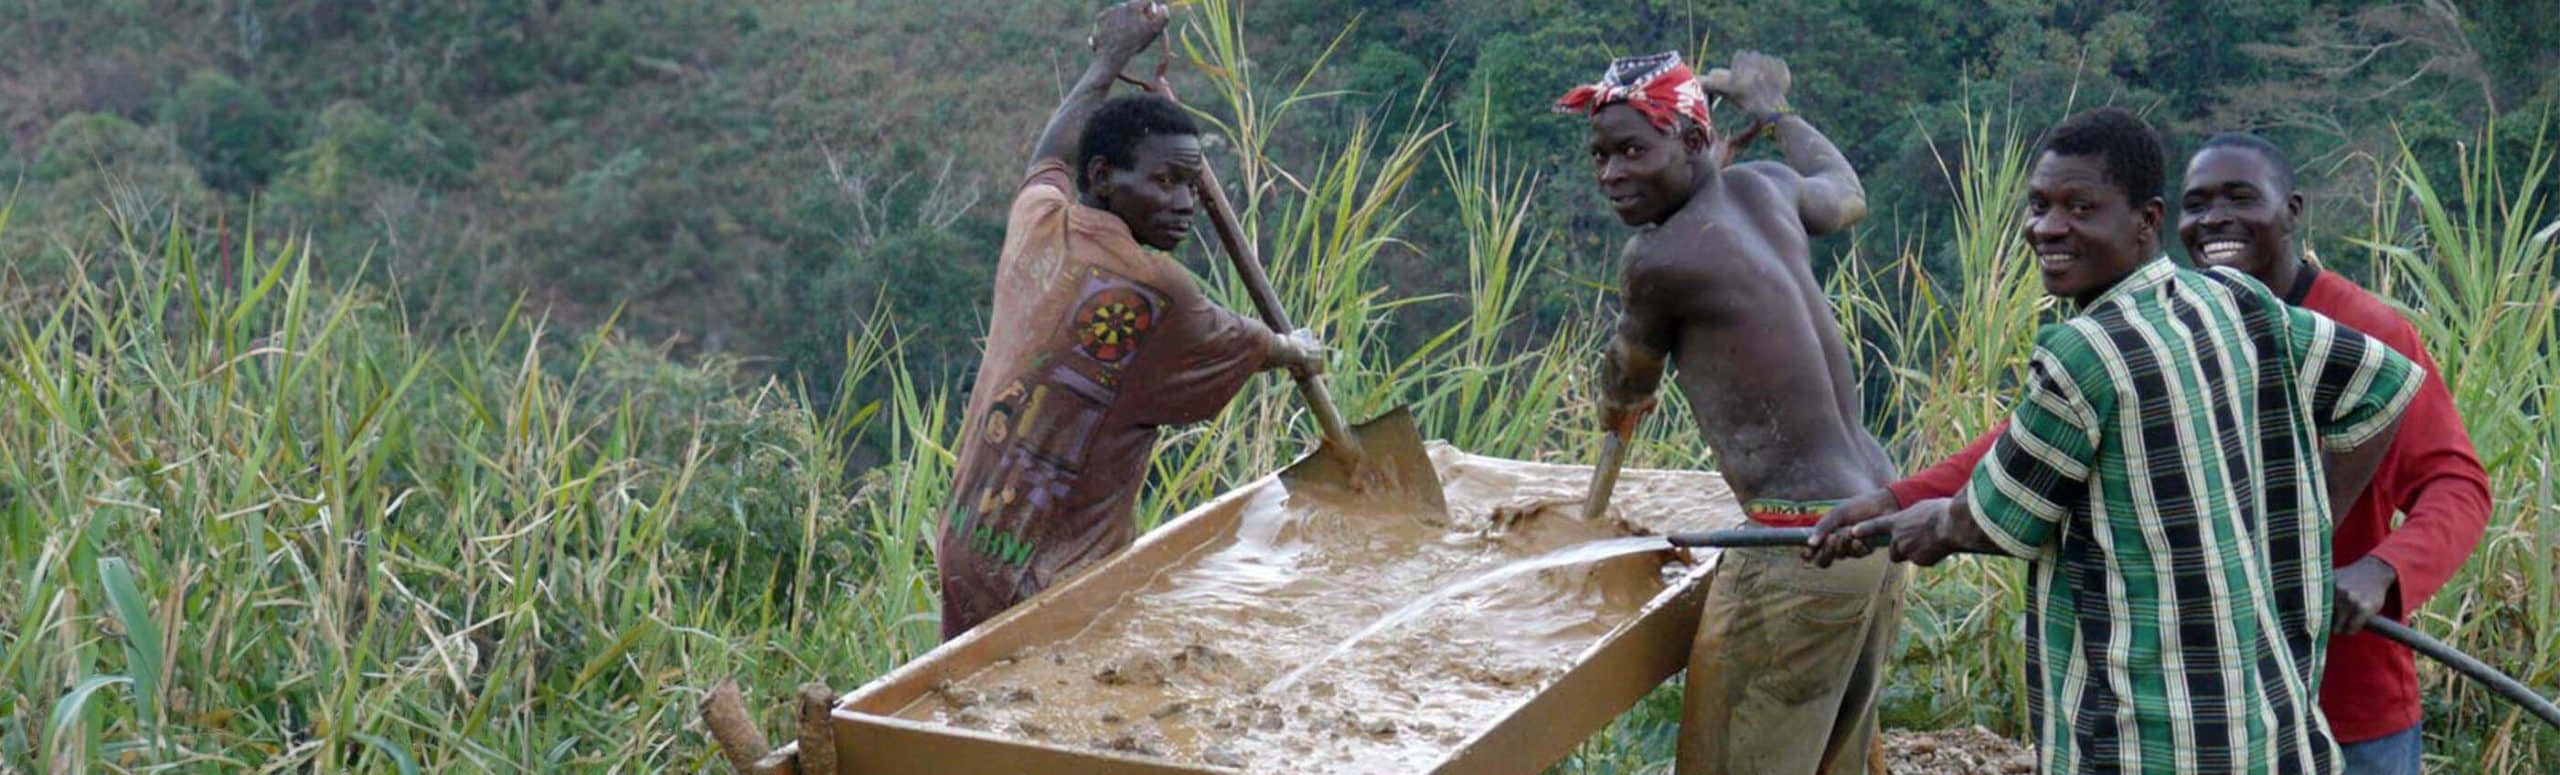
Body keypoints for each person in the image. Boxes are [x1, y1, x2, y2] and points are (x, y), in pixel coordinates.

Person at [1829, 133, 2488, 775]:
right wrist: (1896, 498)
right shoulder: (2192, 316)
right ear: (2169, 220)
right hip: (2212, 694)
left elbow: (2453, 478)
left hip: (2339, 683)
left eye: (2240, 198)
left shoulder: (2341, 323)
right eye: (2199, 204)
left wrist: (2367, 564)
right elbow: (2030, 438)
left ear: (2291, 212)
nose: (2216, 220)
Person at [1557, 50, 1902, 774]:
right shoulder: (1769, 189)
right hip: (1875, 519)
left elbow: (1628, 374)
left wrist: (1615, 399)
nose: (1611, 174)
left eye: (1632, 150)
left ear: (1690, 142)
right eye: (1599, 155)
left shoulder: (1659, 258)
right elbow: (1845, 193)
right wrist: (1774, 110)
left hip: (1797, 544)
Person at [936, 0, 1324, 640]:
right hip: (1058, 574)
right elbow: (1240, 340)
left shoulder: (1040, 223)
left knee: (968, 709)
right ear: (1104, 177)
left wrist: (1107, 62)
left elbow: (1051, 147)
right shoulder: (1155, 289)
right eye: (1166, 181)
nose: (1183, 204)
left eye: (1191, 186)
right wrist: (1294, 349)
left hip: (972, 544)